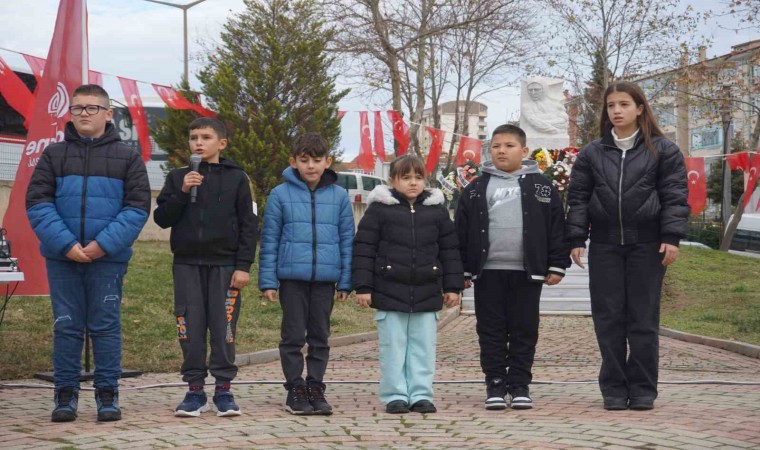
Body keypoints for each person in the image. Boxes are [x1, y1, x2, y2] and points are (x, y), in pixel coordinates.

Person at [26, 84, 151, 422]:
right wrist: (66, 244)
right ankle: (65, 395)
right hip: (62, 258)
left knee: (105, 326)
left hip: (107, 260)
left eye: (92, 107)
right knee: (66, 326)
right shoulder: (53, 155)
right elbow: (38, 203)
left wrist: (102, 246)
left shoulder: (128, 158)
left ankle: (107, 394)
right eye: (77, 107)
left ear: (108, 114)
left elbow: (137, 209)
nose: (84, 113)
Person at [565, 81, 689, 411]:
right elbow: (577, 198)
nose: (616, 111)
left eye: (623, 104)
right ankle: (614, 389)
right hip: (604, 245)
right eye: (611, 105)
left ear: (640, 108)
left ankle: (644, 389)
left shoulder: (663, 150)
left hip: (647, 246)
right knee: (608, 320)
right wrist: (576, 238)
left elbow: (675, 196)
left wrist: (671, 237)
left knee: (643, 320)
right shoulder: (592, 153)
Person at [455, 124, 569, 411]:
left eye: (509, 145)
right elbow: (461, 231)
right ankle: (495, 383)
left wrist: (557, 264)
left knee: (524, 330)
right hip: (487, 273)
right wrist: (463, 270)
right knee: (490, 330)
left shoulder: (542, 186)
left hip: (527, 273)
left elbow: (556, 226)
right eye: (496, 146)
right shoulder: (475, 188)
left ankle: (519, 385)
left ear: (524, 150)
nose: (501, 151)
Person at [154, 117, 257, 417]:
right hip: (187, 265)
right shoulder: (178, 177)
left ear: (221, 143)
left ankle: (223, 390)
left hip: (225, 266)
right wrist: (183, 192)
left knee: (224, 329)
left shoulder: (237, 178)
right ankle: (195, 391)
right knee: (190, 328)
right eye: (193, 137)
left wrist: (243, 266)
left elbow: (249, 225)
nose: (198, 142)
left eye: (206, 137)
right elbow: (162, 219)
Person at [353, 155, 463, 414]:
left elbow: (449, 250)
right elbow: (364, 249)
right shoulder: (379, 210)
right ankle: (395, 395)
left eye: (418, 177)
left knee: (423, 348)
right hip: (389, 290)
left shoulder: (437, 211)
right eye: (406, 177)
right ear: (392, 180)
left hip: (427, 291)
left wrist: (452, 286)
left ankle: (421, 394)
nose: (413, 183)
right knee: (393, 348)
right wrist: (363, 287)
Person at [259, 132, 354, 415]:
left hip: (325, 280)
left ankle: (315, 386)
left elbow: (347, 240)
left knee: (320, 336)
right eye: (304, 160)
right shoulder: (279, 195)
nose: (310, 166)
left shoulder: (339, 196)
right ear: (293, 162)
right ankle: (295, 389)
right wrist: (268, 280)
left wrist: (346, 280)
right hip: (292, 279)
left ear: (328, 162)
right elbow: (270, 239)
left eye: (316, 160)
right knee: (292, 336)